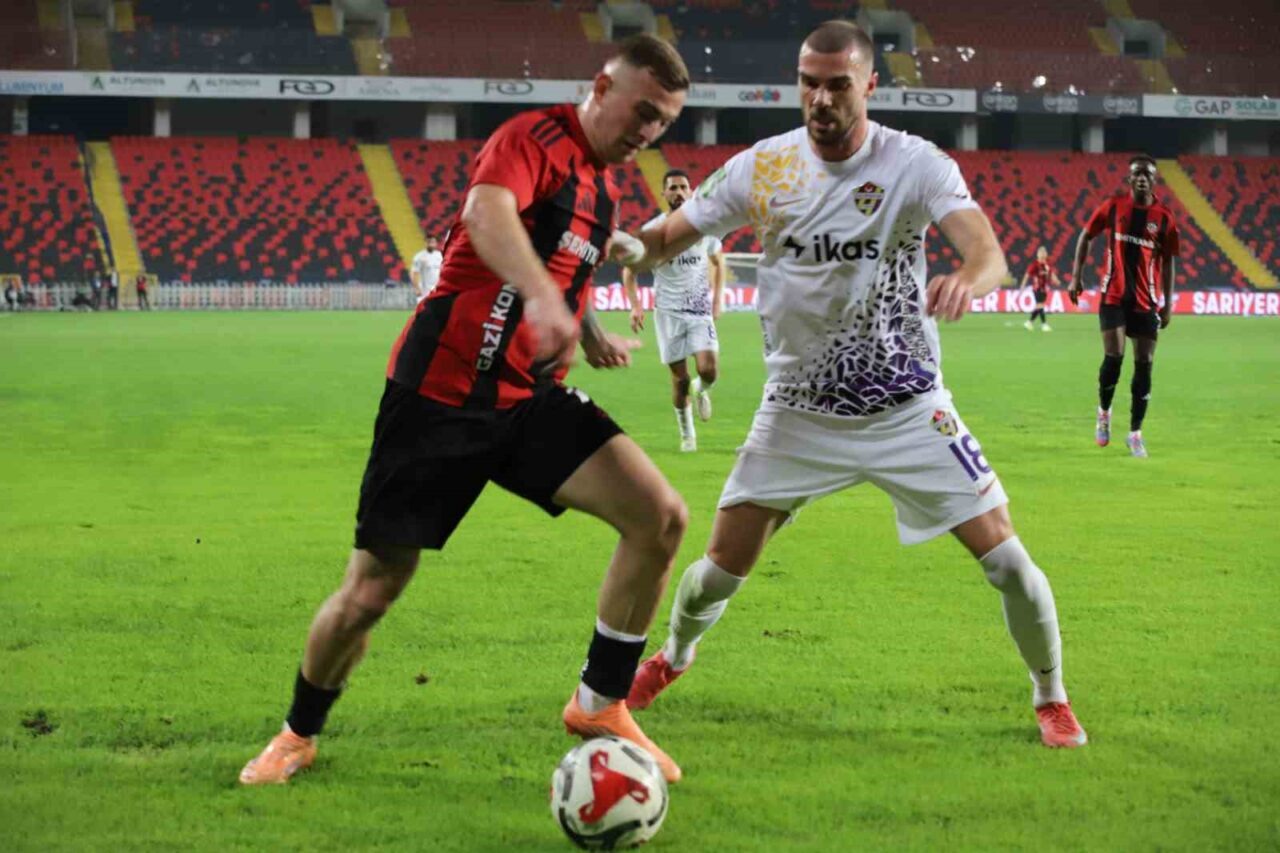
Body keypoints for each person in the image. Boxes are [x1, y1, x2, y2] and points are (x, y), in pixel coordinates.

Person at [614, 20, 1087, 750]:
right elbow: (667, 237)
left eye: (838, 84)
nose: (821, 99)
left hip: (908, 406)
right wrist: (615, 245)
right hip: (798, 410)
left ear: (869, 84)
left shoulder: (914, 163)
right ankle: (674, 655)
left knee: (1010, 563)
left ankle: (1051, 696)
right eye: (809, 83)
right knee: (717, 571)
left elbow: (988, 252)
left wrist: (968, 280)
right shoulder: (764, 168)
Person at [239, 34, 692, 788]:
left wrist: (589, 331)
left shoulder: (602, 189)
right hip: (439, 395)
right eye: (643, 111)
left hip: (525, 400)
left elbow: (563, 271)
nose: (649, 131)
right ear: (601, 87)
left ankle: (599, 703)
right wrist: (542, 300)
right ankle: (297, 733)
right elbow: (487, 212)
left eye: (664, 122)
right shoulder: (534, 139)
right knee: (371, 591)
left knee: (660, 516)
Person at [1069, 154, 1177, 459]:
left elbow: (1168, 262)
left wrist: (1167, 304)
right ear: (1129, 179)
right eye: (1137, 174)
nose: (1142, 178)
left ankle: (1135, 433)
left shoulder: (1164, 217)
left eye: (1147, 174)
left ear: (1154, 180)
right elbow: (1086, 235)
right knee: (1114, 358)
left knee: (1144, 365)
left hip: (1146, 301)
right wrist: (1076, 276)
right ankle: (1104, 413)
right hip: (1113, 296)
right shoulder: (1113, 206)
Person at [622, 169, 726, 451]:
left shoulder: (703, 225)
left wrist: (717, 299)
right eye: (673, 188)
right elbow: (629, 271)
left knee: (709, 370)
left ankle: (702, 389)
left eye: (683, 187)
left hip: (699, 311)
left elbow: (718, 261)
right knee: (679, 380)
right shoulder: (654, 231)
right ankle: (687, 435)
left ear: (691, 191)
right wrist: (635, 306)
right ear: (664, 193)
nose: (679, 192)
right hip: (668, 313)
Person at [1020, 246, 1060, 331]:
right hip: (1037, 288)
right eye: (1041, 253)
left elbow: (1051, 273)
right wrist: (1022, 286)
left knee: (1039, 307)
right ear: (1038, 255)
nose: (1042, 255)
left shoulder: (1047, 265)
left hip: (1044, 288)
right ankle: (1044, 324)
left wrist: (1056, 280)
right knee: (1040, 305)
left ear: (1046, 255)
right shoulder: (1034, 265)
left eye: (1044, 253)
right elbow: (1027, 275)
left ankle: (1029, 322)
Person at [410, 235, 444, 303]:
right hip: (425, 291)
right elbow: (414, 273)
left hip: (438, 290)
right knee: (424, 309)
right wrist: (417, 288)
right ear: (425, 243)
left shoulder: (440, 255)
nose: (430, 244)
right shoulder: (419, 257)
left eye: (432, 242)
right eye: (428, 242)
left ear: (436, 243)